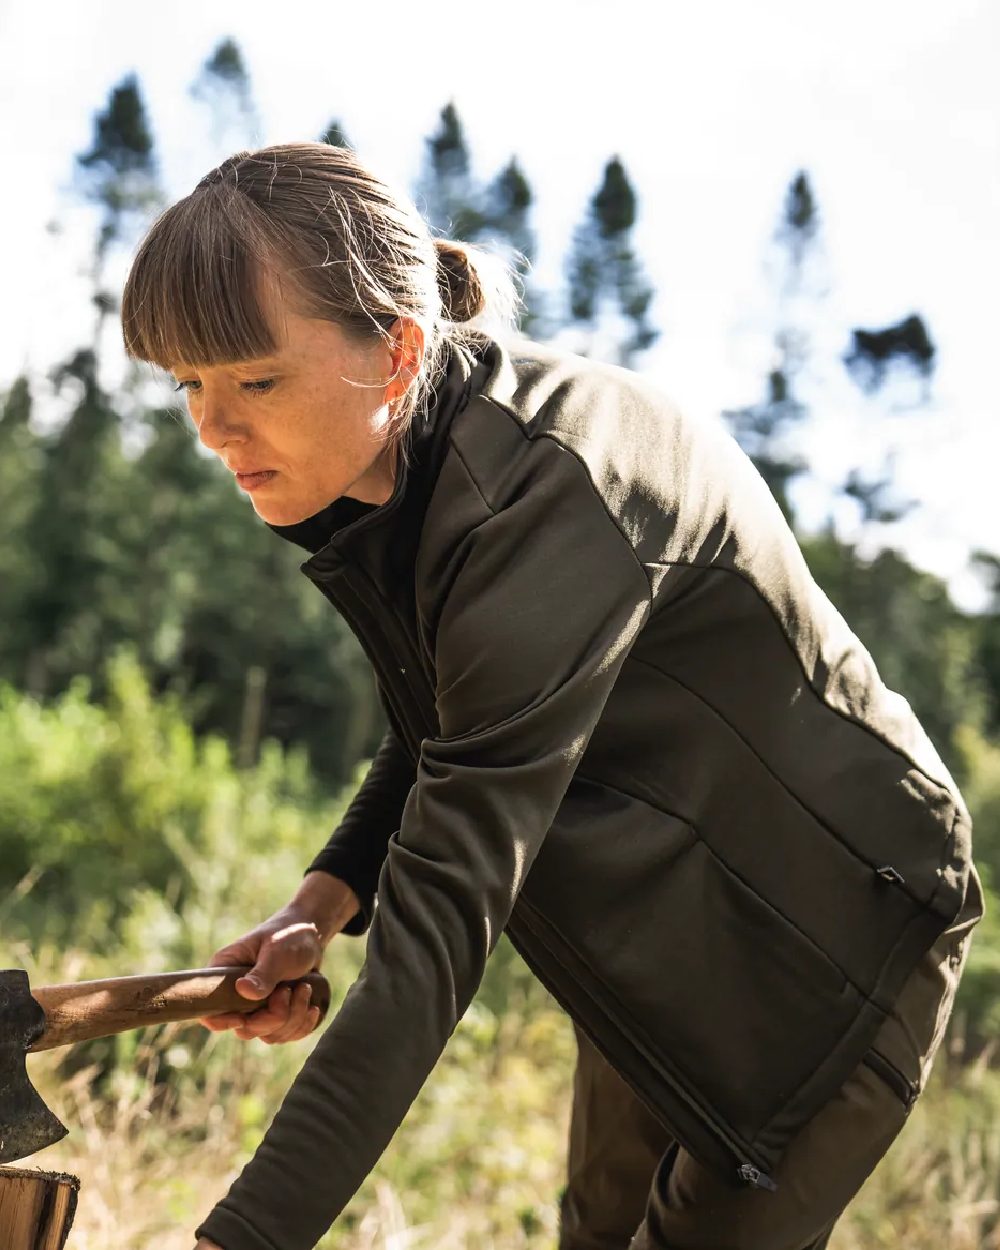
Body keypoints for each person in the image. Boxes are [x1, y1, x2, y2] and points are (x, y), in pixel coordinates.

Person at [119, 142, 982, 1250]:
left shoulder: (546, 499)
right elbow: (451, 725)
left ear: (395, 352)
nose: (211, 428)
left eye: (254, 380)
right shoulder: (399, 471)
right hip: (661, 930)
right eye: (190, 383)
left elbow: (436, 938)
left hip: (836, 925)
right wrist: (319, 904)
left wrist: (236, 1237)